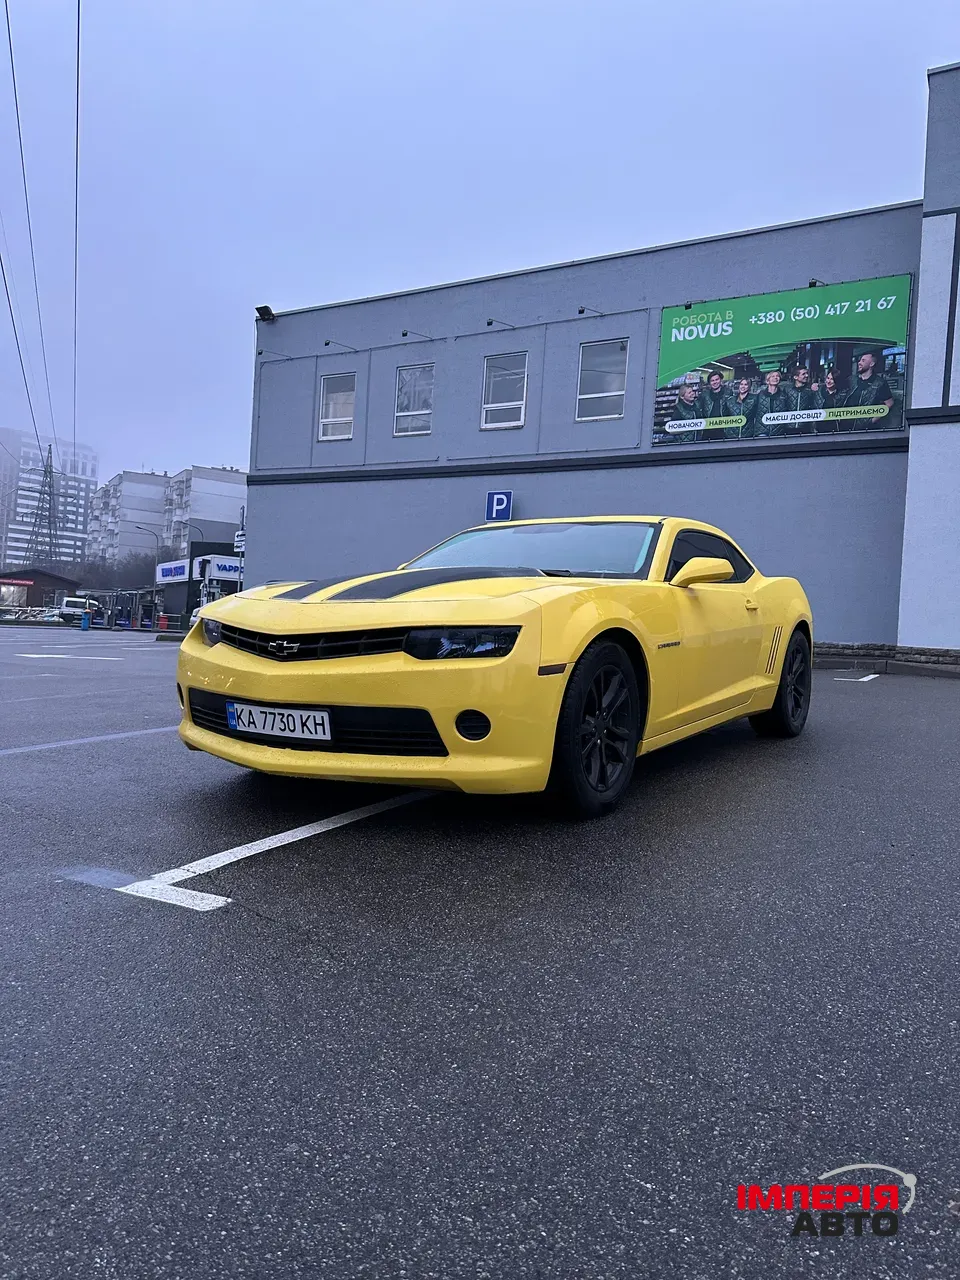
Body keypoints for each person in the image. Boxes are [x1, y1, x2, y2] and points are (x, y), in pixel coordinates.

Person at [841, 351, 895, 428]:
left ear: (871, 364)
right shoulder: (851, 380)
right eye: (860, 360)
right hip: (845, 427)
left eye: (863, 360)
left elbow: (889, 404)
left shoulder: (879, 383)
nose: (859, 363)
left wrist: (872, 420)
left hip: (864, 429)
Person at [754, 370, 790, 435]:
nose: (775, 378)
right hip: (762, 432)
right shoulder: (760, 395)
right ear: (767, 381)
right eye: (772, 376)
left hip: (779, 432)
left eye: (777, 376)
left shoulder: (784, 396)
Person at [814, 368, 844, 433]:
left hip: (835, 430)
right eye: (828, 378)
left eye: (832, 379)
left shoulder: (842, 395)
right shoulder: (818, 391)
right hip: (818, 430)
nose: (828, 381)